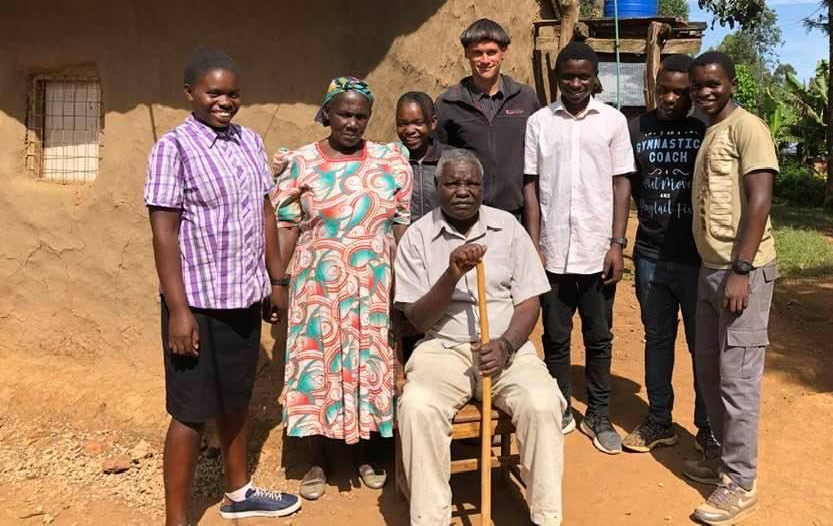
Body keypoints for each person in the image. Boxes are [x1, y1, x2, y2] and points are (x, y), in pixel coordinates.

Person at [145, 48, 301, 526]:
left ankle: (239, 493)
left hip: (243, 298)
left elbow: (266, 213)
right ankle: (177, 520)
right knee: (191, 412)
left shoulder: (249, 142)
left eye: (232, 93)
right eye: (214, 92)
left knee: (235, 398)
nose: (224, 101)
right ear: (190, 92)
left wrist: (276, 281)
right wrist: (179, 311)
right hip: (196, 302)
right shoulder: (173, 148)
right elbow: (164, 233)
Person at [395, 149, 565, 526]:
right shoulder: (418, 237)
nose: (462, 190)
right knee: (417, 407)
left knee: (543, 404)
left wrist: (505, 346)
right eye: (453, 182)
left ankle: (547, 518)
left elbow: (529, 302)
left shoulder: (509, 228)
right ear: (437, 186)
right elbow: (418, 318)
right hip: (442, 348)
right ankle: (430, 519)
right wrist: (451, 274)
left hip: (507, 348)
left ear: (483, 187)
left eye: (471, 182)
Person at [271, 76, 412, 499]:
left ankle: (366, 450)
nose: (352, 123)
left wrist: (405, 284)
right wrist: (277, 281)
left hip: (373, 286)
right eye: (345, 114)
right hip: (318, 288)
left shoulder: (390, 161)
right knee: (321, 369)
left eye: (361, 116)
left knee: (369, 365)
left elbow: (401, 225)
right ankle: (319, 457)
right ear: (328, 113)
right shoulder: (301, 162)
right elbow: (286, 226)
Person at [523, 42, 634, 455]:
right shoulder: (539, 123)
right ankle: (560, 406)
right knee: (554, 334)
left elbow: (622, 183)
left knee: (599, 335)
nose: (575, 83)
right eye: (568, 76)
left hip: (596, 248)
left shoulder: (613, 122)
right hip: (552, 250)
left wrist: (617, 243)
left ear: (594, 77)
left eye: (583, 76)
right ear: (558, 77)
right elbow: (530, 184)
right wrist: (534, 243)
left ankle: (600, 414)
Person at [683, 51, 779, 525]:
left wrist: (741, 268)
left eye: (713, 84)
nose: (704, 91)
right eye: (698, 85)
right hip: (710, 268)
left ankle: (741, 481)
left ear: (732, 84)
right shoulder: (710, 130)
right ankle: (722, 460)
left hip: (742, 271)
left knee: (737, 378)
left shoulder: (748, 128)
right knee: (708, 370)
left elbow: (759, 199)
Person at [622, 54, 719, 457]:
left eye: (680, 92)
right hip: (650, 255)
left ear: (690, 94)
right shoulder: (636, 129)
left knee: (703, 345)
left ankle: (708, 427)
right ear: (654, 87)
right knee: (657, 340)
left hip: (698, 258)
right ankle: (659, 420)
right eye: (664, 89)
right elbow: (626, 186)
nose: (670, 98)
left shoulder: (705, 130)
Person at [435, 18, 541, 218]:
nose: (485, 60)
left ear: (503, 52)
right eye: (477, 53)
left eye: (491, 52)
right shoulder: (448, 104)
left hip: (516, 214)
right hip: (466, 214)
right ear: (466, 54)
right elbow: (438, 160)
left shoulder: (525, 99)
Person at [396, 91, 452, 222]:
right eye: (402, 123)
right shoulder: (390, 161)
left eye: (418, 123)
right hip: (403, 240)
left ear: (432, 122)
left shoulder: (452, 160)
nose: (410, 130)